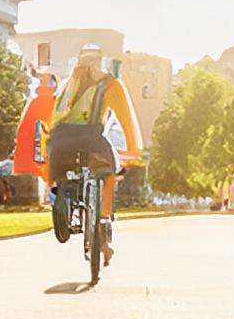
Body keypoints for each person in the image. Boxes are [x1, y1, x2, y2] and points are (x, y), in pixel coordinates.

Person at [14, 46, 143, 261]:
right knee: (108, 174)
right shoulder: (109, 84)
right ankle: (102, 222)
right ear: (99, 62)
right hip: (91, 139)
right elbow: (126, 121)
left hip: (60, 141)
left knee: (64, 175)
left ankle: (64, 199)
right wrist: (132, 150)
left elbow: (53, 119)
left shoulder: (68, 85)